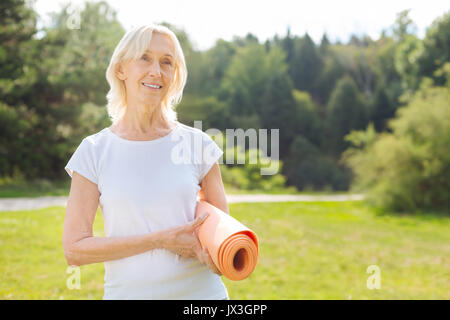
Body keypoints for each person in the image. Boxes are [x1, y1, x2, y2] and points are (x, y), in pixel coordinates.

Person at [63, 24, 229, 300]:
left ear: (174, 76)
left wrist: (217, 253)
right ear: (120, 69)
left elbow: (222, 237)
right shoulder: (93, 151)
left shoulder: (199, 146)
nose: (156, 71)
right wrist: (159, 240)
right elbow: (75, 249)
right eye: (145, 58)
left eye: (167, 62)